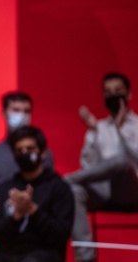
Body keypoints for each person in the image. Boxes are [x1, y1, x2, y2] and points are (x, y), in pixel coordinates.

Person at [0, 126, 74, 262]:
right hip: (7, 252)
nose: (24, 153)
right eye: (19, 150)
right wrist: (14, 219)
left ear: (43, 153)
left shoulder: (59, 188)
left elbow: (61, 235)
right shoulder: (7, 188)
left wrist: (32, 210)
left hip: (42, 254)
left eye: (30, 149)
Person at [65, 72, 138, 262]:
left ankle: (64, 180)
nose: (112, 95)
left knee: (121, 161)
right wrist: (93, 132)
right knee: (74, 190)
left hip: (132, 191)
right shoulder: (99, 127)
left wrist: (121, 129)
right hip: (104, 192)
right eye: (108, 92)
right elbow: (88, 168)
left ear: (129, 95)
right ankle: (86, 257)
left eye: (118, 91)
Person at [0, 92, 54, 186]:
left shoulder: (44, 153)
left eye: (27, 111)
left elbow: (51, 189)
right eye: (16, 110)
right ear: (4, 113)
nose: (22, 115)